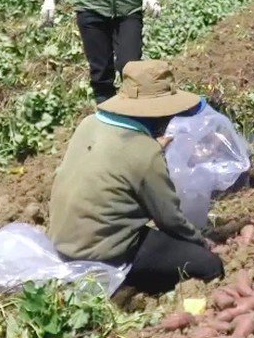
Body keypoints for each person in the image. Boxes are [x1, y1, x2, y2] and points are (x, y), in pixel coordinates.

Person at [49, 60, 224, 294]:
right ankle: (131, 287)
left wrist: (150, 148)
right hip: (105, 252)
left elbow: (119, 158)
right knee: (209, 266)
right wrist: (201, 243)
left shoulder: (88, 124)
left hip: (63, 241)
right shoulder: (145, 153)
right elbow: (169, 219)